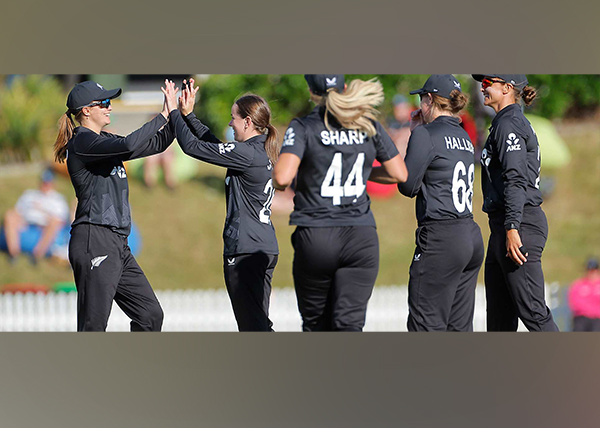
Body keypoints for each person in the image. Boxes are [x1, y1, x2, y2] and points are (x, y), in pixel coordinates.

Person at [273, 74, 407, 332]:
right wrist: (361, 171)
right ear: (344, 87)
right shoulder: (367, 123)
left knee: (316, 326)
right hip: (361, 238)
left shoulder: (304, 126)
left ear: (311, 91)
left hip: (317, 236)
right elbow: (399, 174)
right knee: (349, 327)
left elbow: (282, 177)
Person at [54, 80, 176, 332]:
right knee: (93, 326)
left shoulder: (103, 140)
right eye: (105, 103)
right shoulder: (83, 142)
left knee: (150, 316)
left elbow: (156, 144)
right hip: (94, 238)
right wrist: (162, 114)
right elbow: (130, 144)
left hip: (118, 243)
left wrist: (177, 114)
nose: (110, 107)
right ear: (86, 110)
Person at [165, 79, 279, 332]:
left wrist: (173, 111)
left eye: (233, 118)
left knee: (252, 327)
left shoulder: (246, 153)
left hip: (246, 250)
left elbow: (193, 147)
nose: (230, 123)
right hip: (263, 247)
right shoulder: (257, 150)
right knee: (258, 324)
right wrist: (189, 116)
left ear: (247, 122)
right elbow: (216, 146)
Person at [373, 75, 484, 331]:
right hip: (469, 234)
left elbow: (408, 185)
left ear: (430, 99)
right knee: (458, 329)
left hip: (440, 239)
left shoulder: (425, 133)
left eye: (421, 98)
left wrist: (415, 134)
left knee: (426, 326)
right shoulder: (464, 136)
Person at [473, 74, 559, 331]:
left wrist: (512, 227)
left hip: (519, 224)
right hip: (503, 226)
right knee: (499, 321)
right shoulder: (502, 122)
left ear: (508, 88)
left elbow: (516, 179)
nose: (482, 87)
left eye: (488, 83)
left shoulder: (509, 123)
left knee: (533, 312)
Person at [2, 167, 70, 263]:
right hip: (26, 223)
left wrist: (45, 220)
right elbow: (17, 211)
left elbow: (61, 220)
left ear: (52, 183)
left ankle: (37, 255)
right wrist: (21, 221)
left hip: (44, 226)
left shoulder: (58, 200)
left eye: (47, 182)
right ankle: (13, 254)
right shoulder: (29, 194)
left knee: (54, 223)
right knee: (10, 215)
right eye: (44, 182)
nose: (45, 185)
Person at [568, 257, 600, 331]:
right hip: (582, 318)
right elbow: (575, 303)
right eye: (589, 270)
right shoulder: (578, 285)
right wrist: (591, 311)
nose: (591, 273)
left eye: (593, 270)